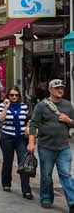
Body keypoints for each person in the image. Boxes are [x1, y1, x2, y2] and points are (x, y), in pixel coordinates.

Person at [27, 79, 74, 211]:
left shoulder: (68, 105)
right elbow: (33, 125)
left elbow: (73, 123)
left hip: (63, 147)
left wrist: (68, 120)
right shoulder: (41, 106)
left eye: (62, 88)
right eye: (57, 88)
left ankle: (72, 202)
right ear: (50, 90)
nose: (60, 90)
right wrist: (31, 143)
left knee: (66, 174)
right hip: (46, 147)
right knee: (46, 175)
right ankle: (46, 197)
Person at [0, 86, 32, 199]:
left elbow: (29, 121)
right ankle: (6, 183)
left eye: (16, 95)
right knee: (8, 161)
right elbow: (1, 119)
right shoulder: (3, 105)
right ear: (8, 95)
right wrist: (6, 107)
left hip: (21, 138)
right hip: (7, 137)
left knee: (23, 162)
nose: (14, 97)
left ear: (19, 96)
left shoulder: (24, 107)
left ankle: (26, 190)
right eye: (12, 95)